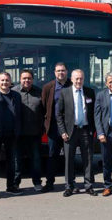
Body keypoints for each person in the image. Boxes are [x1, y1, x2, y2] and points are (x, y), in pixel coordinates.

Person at [56, 69, 96, 197]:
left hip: (85, 130)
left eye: (81, 78)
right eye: (76, 79)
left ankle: (88, 185)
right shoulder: (64, 92)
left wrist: (92, 130)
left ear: (84, 79)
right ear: (72, 79)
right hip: (70, 131)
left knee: (88, 159)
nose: (79, 81)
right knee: (69, 160)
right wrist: (62, 131)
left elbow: (94, 113)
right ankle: (69, 186)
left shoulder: (90, 92)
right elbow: (58, 114)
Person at [41, 62, 72, 192]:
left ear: (67, 72)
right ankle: (49, 183)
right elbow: (44, 106)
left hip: (70, 127)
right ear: (54, 72)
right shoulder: (48, 87)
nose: (61, 73)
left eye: (63, 70)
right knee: (52, 155)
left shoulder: (72, 85)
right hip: (54, 128)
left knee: (69, 156)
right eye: (58, 71)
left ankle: (70, 184)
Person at [12, 70, 44, 192]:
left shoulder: (38, 92)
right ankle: (15, 183)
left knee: (36, 159)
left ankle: (37, 182)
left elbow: (43, 110)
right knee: (17, 160)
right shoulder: (14, 92)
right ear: (20, 79)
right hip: (18, 134)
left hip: (35, 133)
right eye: (24, 78)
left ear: (32, 79)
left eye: (29, 78)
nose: (27, 80)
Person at [0, 72, 22, 195]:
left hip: (12, 134)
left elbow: (19, 114)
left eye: (7, 80)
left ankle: (11, 186)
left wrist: (18, 130)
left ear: (10, 81)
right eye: (2, 80)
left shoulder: (16, 95)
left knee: (12, 161)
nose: (5, 83)